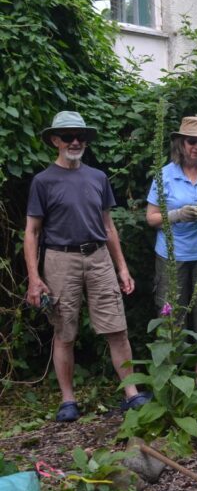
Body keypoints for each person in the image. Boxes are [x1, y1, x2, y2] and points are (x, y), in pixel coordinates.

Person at [24, 111, 150, 422]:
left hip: (98, 258)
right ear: (55, 140)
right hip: (59, 259)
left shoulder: (98, 178)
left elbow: (108, 226)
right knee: (64, 330)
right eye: (68, 136)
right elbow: (32, 231)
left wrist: (121, 267)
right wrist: (34, 278)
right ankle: (68, 401)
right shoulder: (43, 181)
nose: (76, 141)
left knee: (117, 328)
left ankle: (131, 395)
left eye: (80, 136)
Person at [145, 117, 197, 379]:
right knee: (172, 315)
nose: (196, 147)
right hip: (174, 256)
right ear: (181, 144)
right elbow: (151, 218)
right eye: (191, 141)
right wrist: (177, 215)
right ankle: (174, 374)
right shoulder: (164, 176)